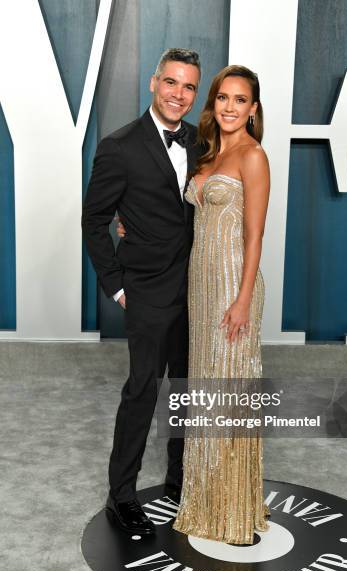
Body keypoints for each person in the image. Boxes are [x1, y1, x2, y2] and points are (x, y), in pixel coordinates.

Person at [82, 48, 201, 535]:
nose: (179, 94)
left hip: (195, 287)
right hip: (146, 290)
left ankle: (178, 478)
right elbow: (95, 221)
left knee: (186, 389)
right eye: (171, 82)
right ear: (154, 83)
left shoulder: (203, 140)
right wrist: (116, 287)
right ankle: (122, 495)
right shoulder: (120, 145)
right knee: (142, 391)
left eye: (189, 86)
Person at [171, 65, 270, 544]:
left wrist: (244, 299)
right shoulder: (208, 152)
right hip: (201, 285)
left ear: (253, 108)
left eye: (240, 99)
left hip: (233, 287)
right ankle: (206, 504)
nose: (230, 107)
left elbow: (255, 236)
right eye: (223, 98)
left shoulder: (253, 156)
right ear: (214, 104)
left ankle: (232, 510)